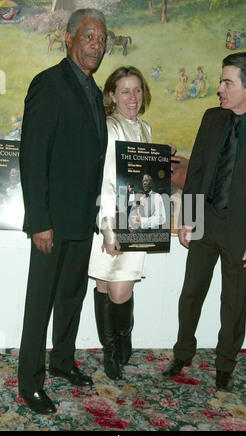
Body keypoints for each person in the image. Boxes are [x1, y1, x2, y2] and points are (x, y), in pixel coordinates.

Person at [162, 52, 246, 391]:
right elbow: (198, 172)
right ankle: (182, 353)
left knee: (233, 303)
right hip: (204, 222)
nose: (219, 88)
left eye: (227, 82)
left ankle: (225, 366)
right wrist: (187, 220)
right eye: (221, 81)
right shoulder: (211, 118)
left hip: (243, 233)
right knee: (191, 293)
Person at [18, 8, 108, 415]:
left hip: (81, 220)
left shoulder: (93, 90)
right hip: (51, 222)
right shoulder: (48, 84)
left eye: (102, 39)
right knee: (40, 303)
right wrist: (40, 221)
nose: (97, 45)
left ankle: (62, 361)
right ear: (69, 38)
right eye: (89, 36)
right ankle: (29, 381)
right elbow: (32, 158)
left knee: (71, 296)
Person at [88, 66, 175, 380]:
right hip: (110, 218)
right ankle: (110, 349)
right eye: (125, 91)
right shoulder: (109, 127)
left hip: (136, 220)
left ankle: (121, 341)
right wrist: (109, 228)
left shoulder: (146, 129)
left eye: (137, 89)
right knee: (105, 283)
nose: (132, 97)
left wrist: (160, 158)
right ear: (112, 95)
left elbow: (142, 178)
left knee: (118, 287)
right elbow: (106, 182)